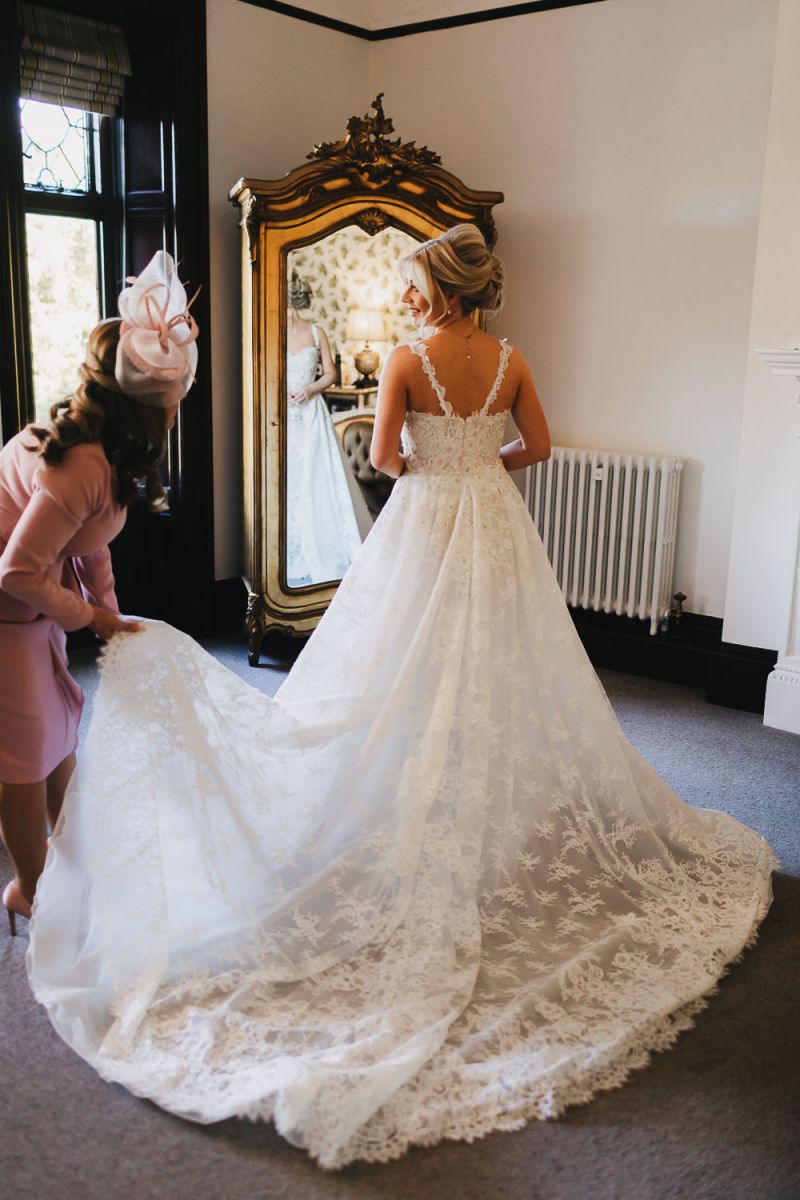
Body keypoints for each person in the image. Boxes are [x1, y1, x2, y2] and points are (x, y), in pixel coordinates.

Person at [25, 226, 774, 1170]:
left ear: (442, 289)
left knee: (396, 656)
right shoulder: (511, 358)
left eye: (416, 284)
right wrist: (481, 469)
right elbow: (539, 445)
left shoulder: (409, 361)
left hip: (426, 518)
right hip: (492, 516)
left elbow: (384, 460)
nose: (410, 298)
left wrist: (435, 467)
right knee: (502, 651)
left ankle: (405, 775)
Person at [0, 250, 197, 932]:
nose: (180, 403)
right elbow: (17, 573)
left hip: (32, 608)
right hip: (9, 610)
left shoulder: (106, 451)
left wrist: (110, 617)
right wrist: (91, 618)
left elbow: (90, 544)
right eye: (175, 393)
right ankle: (30, 891)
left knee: (58, 729)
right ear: (147, 403)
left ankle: (70, 865)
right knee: (23, 754)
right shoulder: (81, 463)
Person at [285, 270, 370, 585]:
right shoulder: (271, 330)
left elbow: (331, 374)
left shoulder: (316, 331)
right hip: (282, 414)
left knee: (316, 477)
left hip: (310, 413)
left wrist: (310, 389)